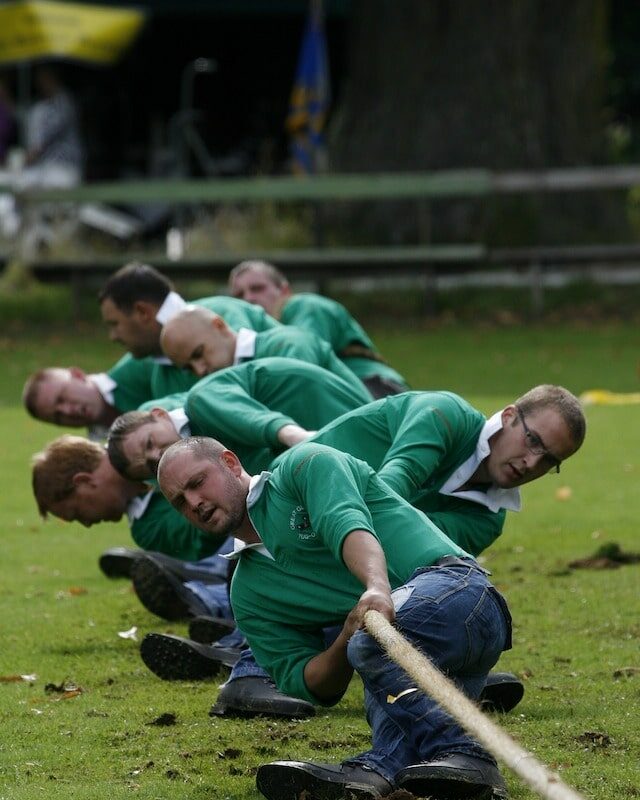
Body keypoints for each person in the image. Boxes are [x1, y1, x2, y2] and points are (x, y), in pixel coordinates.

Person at [158, 437, 513, 800]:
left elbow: (347, 524)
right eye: (179, 502)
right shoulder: (248, 593)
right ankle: (377, 775)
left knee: (371, 644)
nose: (194, 503)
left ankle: (469, 756)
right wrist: (344, 636)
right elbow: (311, 684)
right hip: (401, 658)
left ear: (231, 463)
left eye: (197, 483)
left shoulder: (304, 466)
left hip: (461, 593)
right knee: (383, 704)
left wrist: (376, 588)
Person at [106, 357, 371, 481]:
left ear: (159, 414)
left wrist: (300, 438)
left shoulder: (199, 401)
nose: (157, 455)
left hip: (315, 408)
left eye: (149, 442)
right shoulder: (196, 455)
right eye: (151, 465)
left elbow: (260, 423)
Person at [229, 259, 409, 397]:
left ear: (284, 291)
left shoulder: (304, 305)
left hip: (373, 389)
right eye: (239, 295)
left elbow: (303, 360)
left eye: (257, 288)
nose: (249, 299)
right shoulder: (264, 337)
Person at [31, 434, 223, 561]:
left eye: (78, 513)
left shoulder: (145, 433)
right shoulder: (146, 528)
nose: (87, 524)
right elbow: (215, 531)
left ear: (84, 481)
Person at [160, 304, 373, 402]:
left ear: (220, 325)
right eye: (188, 367)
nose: (199, 370)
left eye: (198, 354)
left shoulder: (289, 344)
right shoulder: (226, 384)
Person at [99, 262, 278, 359]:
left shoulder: (222, 313)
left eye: (115, 324)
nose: (113, 336)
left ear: (143, 312)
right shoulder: (154, 353)